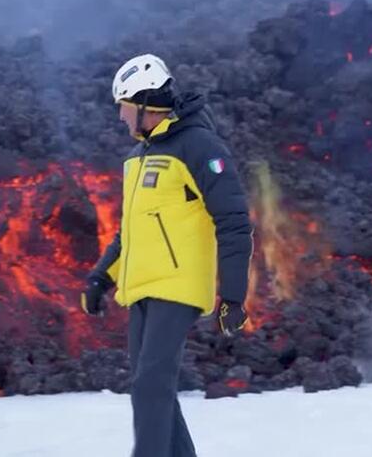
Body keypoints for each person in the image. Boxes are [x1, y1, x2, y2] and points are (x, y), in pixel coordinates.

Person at [80, 54, 253, 457]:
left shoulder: (198, 145)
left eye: (124, 107)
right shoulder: (135, 159)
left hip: (178, 285)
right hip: (140, 287)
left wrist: (233, 296)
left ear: (143, 104)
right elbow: (130, 234)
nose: (121, 117)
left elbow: (233, 220)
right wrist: (100, 277)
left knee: (149, 387)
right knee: (153, 388)